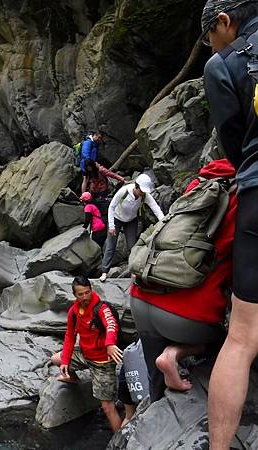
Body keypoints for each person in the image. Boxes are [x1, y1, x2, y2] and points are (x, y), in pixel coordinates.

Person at [129, 159, 236, 403]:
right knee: (231, 341)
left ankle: (152, 416)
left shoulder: (200, 183)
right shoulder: (243, 195)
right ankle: (175, 353)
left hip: (140, 298)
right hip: (186, 316)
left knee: (154, 387)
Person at [201, 2, 258, 447]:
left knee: (241, 337)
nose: (211, 45)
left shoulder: (225, 64)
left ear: (225, 21)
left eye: (209, 35)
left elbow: (234, 143)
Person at [50, 276, 123, 432]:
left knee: (107, 407)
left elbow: (111, 325)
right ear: (74, 295)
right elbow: (70, 336)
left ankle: (121, 439)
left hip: (102, 361)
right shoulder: (74, 311)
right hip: (85, 354)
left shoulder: (102, 309)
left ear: (91, 289)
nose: (84, 297)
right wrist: (65, 362)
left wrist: (110, 344)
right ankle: (73, 379)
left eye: (87, 292)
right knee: (56, 359)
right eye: (80, 294)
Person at [99, 174, 164, 282]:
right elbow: (111, 206)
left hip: (131, 221)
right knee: (111, 246)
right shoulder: (124, 191)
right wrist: (111, 226)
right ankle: (104, 272)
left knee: (132, 247)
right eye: (141, 191)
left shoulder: (145, 196)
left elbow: (155, 207)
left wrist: (163, 220)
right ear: (136, 186)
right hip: (116, 219)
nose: (142, 193)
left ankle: (133, 271)